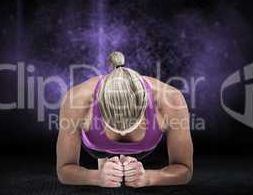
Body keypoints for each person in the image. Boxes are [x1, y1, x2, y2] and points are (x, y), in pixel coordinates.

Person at [56, 51, 193, 188]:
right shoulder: (77, 99)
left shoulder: (170, 100)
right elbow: (63, 170)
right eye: (112, 126)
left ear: (145, 105)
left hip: (141, 150)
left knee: (121, 170)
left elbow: (185, 170)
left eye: (131, 126)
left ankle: (114, 165)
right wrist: (95, 177)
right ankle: (103, 160)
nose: (122, 133)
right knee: (103, 161)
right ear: (99, 102)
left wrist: (150, 178)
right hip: (96, 147)